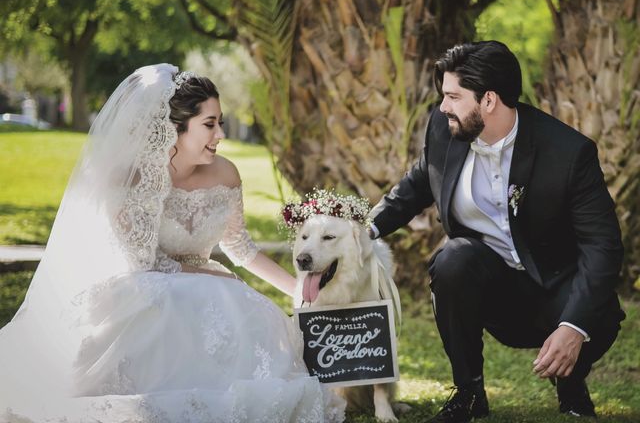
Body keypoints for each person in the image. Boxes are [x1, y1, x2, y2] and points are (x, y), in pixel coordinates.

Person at [0, 64, 345, 423]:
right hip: (143, 282)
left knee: (242, 306)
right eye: (209, 124)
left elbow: (240, 247)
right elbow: (141, 261)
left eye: (220, 122)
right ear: (174, 129)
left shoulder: (226, 173)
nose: (221, 134)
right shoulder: (130, 178)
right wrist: (211, 277)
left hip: (208, 281)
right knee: (197, 298)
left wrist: (299, 291)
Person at [368, 41, 625, 422]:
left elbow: (602, 246)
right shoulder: (444, 128)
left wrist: (573, 326)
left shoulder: (568, 153)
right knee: (452, 258)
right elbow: (419, 184)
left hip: (556, 291)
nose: (443, 107)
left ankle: (571, 381)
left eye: (453, 96)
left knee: (595, 318)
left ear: (489, 100)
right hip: (491, 289)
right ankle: (469, 393)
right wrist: (362, 229)